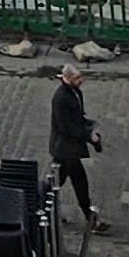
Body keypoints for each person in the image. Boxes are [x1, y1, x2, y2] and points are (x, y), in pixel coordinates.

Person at [47, 64, 107, 231]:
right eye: (77, 78)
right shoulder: (61, 98)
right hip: (65, 149)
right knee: (77, 183)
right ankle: (91, 220)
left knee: (57, 184)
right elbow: (66, 127)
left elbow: (76, 118)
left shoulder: (74, 92)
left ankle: (50, 212)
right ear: (67, 78)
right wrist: (88, 136)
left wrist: (88, 125)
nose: (81, 81)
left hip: (68, 150)